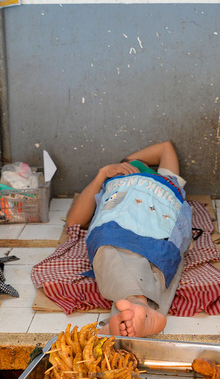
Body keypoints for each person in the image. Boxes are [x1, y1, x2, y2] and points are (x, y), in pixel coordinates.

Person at [65, 140, 191, 338]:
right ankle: (141, 310)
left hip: (159, 222)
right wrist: (103, 173)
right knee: (108, 249)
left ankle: (122, 320)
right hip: (116, 225)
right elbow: (74, 222)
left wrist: (132, 159)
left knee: (160, 257)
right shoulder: (111, 179)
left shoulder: (167, 178)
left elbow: (165, 147)